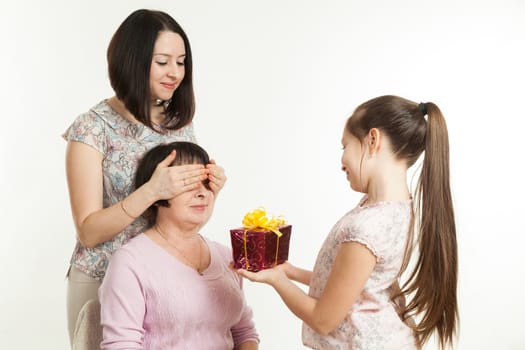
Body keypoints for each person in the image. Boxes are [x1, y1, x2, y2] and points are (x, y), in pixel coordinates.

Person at [237, 95, 458, 350]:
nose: (342, 161)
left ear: (372, 140)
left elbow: (323, 320)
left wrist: (276, 279)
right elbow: (356, 286)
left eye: (345, 146)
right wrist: (291, 271)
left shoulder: (368, 228)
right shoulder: (396, 210)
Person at [62, 9, 227, 344]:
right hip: (101, 276)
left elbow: (177, 214)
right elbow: (89, 231)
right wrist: (151, 191)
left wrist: (209, 190)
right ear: (133, 60)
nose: (175, 73)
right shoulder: (91, 129)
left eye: (181, 62)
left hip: (166, 275)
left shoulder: (178, 124)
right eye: (163, 61)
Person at [98, 141, 259, 349]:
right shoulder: (130, 262)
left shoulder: (225, 255)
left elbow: (244, 332)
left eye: (207, 183)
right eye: (187, 183)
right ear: (156, 194)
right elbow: (121, 345)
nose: (202, 193)